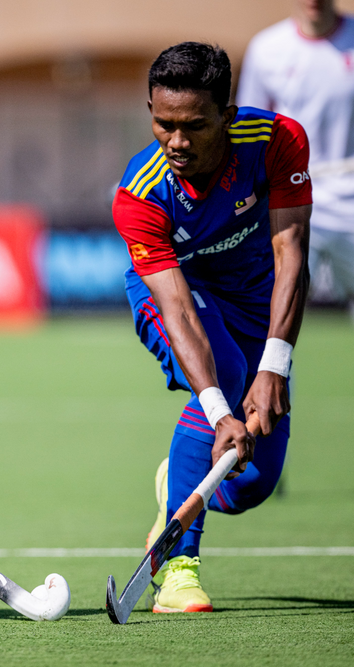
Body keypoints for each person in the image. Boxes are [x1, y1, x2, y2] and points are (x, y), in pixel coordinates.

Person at [112, 42, 312, 613]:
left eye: (195, 126)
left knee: (251, 486)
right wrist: (221, 412)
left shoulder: (276, 140)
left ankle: (176, 479)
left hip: (253, 293)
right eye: (163, 124)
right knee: (222, 376)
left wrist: (275, 366)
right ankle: (178, 569)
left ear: (227, 115)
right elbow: (177, 308)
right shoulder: (140, 193)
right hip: (176, 292)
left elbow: (292, 252)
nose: (176, 142)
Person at [237, 0, 354, 321]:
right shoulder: (266, 48)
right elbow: (250, 133)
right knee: (274, 310)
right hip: (291, 198)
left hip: (351, 201)